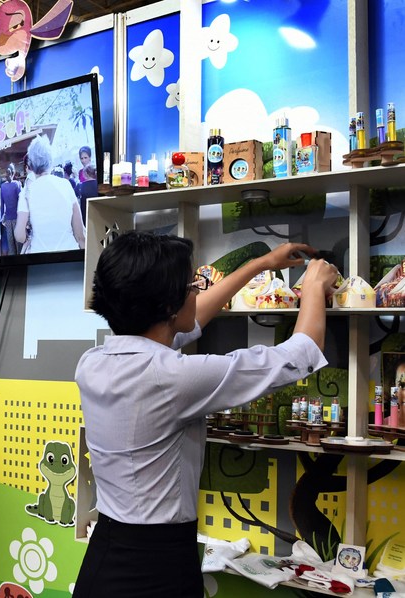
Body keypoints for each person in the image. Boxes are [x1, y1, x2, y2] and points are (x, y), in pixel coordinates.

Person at [72, 232, 339, 597]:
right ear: (167, 306)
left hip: (104, 555)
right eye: (191, 285)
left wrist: (261, 265)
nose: (197, 291)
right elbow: (299, 353)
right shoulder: (172, 377)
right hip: (157, 567)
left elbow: (187, 323)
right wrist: (312, 286)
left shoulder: (93, 363)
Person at [15, 136, 85, 253]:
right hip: (69, 257)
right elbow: (80, 234)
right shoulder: (65, 185)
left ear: (31, 165)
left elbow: (19, 236)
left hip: (40, 260)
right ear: (50, 161)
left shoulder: (26, 192)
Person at [0, 165, 22, 255]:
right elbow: (21, 202)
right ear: (13, 173)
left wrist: (2, 219)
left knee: (10, 244)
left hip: (7, 219)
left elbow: (2, 205)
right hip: (17, 217)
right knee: (18, 243)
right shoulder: (17, 184)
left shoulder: (2, 186)